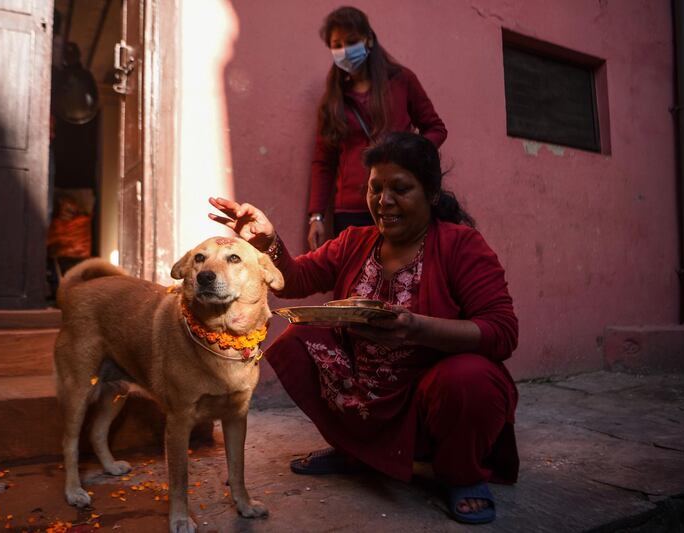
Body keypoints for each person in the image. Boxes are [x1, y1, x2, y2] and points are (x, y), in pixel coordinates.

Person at [208, 132, 518, 525]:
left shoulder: (462, 246)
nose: (384, 202)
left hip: (432, 402)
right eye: (376, 188)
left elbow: (503, 331)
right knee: (298, 341)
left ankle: (462, 474)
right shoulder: (356, 240)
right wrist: (268, 242)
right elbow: (299, 279)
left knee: (471, 378)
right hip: (366, 390)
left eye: (400, 189)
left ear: (432, 194)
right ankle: (356, 450)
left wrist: (417, 329)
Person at [307, 6, 447, 251]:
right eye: (337, 45)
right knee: (357, 285)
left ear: (368, 39)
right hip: (350, 211)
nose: (345, 51)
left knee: (404, 279)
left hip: (399, 202)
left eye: (351, 41)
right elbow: (324, 162)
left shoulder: (402, 80)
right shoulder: (332, 100)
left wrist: (411, 156)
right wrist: (316, 216)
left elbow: (435, 128)